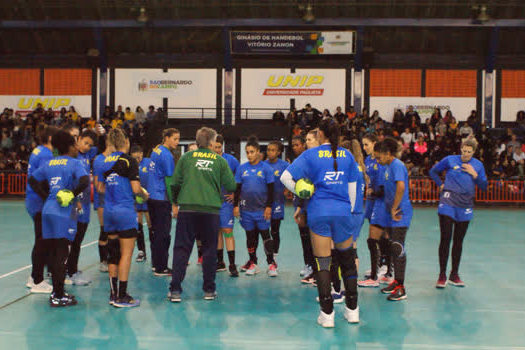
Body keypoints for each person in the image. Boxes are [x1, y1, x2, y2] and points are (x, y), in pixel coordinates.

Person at [281, 119, 361, 327]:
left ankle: (327, 315)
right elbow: (353, 190)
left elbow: (285, 177)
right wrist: (349, 213)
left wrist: (301, 191)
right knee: (348, 261)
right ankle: (353, 311)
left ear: (321, 135)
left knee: (323, 264)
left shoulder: (311, 154)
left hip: (319, 212)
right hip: (343, 212)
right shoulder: (348, 155)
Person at [168, 127, 236, 302]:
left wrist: (176, 201)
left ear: (197, 141)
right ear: (212, 143)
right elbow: (231, 185)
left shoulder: (186, 158)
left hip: (187, 209)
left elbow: (174, 184)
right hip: (210, 211)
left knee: (182, 249)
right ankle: (209, 290)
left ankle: (175, 290)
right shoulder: (220, 161)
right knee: (209, 250)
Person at [28, 130, 89, 307]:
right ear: (70, 146)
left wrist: (46, 195)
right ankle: (58, 294)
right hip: (64, 211)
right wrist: (71, 194)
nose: (77, 148)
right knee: (62, 254)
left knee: (53, 252)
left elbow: (32, 180)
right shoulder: (74, 163)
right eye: (75, 144)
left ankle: (57, 292)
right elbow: (85, 182)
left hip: (48, 209)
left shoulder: (50, 162)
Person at [98, 129, 148, 307]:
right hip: (125, 211)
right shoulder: (129, 160)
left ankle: (112, 294)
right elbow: (136, 190)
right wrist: (144, 194)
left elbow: (100, 188)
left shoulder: (104, 161)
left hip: (109, 211)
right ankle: (122, 295)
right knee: (126, 254)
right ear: (125, 142)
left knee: (113, 253)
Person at [429, 138, 487, 288]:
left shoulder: (478, 165)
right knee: (445, 237)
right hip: (448, 202)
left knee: (458, 241)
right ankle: (442, 274)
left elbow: (484, 186)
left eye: (469, 152)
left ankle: (454, 274)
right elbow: (433, 171)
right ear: (461, 148)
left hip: (465, 205)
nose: (466, 154)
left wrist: (475, 174)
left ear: (474, 152)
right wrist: (440, 184)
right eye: (464, 150)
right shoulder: (450, 160)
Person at [234, 136, 278, 277]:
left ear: (258, 152)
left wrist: (269, 207)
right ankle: (253, 262)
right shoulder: (242, 169)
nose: (249, 155)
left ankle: (271, 264)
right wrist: (235, 206)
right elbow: (238, 189)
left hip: (262, 210)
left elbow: (271, 190)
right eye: (247, 152)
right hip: (246, 211)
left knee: (266, 237)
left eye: (252, 152)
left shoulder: (266, 168)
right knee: (250, 237)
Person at [376, 137, 413, 301]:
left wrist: (394, 207)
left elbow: (401, 187)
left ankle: (401, 287)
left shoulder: (397, 165)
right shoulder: (387, 167)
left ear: (388, 153)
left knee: (398, 247)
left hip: (400, 212)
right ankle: (396, 281)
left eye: (380, 156)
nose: (378, 159)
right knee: (392, 246)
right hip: (392, 213)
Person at [25, 125, 57, 293]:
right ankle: (37, 280)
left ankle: (33, 276)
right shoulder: (46, 154)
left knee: (41, 239)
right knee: (42, 240)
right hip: (38, 203)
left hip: (32, 201)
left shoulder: (37, 150)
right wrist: (48, 198)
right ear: (50, 138)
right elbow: (42, 179)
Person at [65, 129, 97, 286]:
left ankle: (72, 269)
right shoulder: (72, 157)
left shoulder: (86, 156)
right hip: (74, 206)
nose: (87, 147)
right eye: (85, 143)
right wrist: (75, 199)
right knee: (71, 241)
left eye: (90, 145)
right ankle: (68, 272)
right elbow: (70, 181)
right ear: (78, 139)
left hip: (85, 206)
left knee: (78, 241)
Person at [147, 128, 180, 276]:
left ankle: (156, 264)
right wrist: (174, 203)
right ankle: (162, 268)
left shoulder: (156, 149)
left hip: (151, 197)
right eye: (175, 139)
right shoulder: (167, 156)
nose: (177, 142)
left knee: (155, 232)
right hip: (161, 198)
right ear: (166, 138)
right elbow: (169, 180)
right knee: (163, 234)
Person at [212, 135, 240, 276]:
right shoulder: (208, 160)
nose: (216, 150)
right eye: (214, 147)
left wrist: (236, 195)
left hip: (226, 203)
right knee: (217, 233)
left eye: (218, 147)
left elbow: (239, 179)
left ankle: (232, 265)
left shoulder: (232, 160)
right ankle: (220, 262)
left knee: (227, 231)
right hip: (212, 203)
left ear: (222, 146)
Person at [290, 135, 315, 283]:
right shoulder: (295, 162)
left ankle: (314, 265)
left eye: (297, 144)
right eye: (293, 145)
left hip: (308, 204)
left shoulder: (309, 161)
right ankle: (308, 264)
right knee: (304, 236)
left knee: (313, 237)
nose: (295, 147)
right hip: (299, 202)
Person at [264, 140, 289, 256]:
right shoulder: (263, 165)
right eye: (268, 150)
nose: (270, 152)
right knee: (264, 229)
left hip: (278, 202)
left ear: (278, 152)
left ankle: (275, 253)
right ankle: (268, 250)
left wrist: (288, 189)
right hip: (264, 203)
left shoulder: (285, 166)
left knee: (275, 230)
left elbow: (292, 179)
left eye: (273, 150)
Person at [93, 137, 114, 272]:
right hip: (102, 199)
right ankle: (103, 261)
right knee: (104, 230)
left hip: (113, 200)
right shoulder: (99, 160)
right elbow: (97, 184)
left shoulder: (115, 159)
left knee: (113, 230)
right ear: (108, 143)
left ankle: (112, 258)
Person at [130, 145, 152, 263]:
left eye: (138, 157)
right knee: (138, 226)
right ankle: (141, 251)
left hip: (148, 198)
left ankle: (154, 250)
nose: (137, 160)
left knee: (150, 225)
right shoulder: (130, 164)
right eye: (134, 158)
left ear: (142, 154)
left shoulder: (149, 162)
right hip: (136, 199)